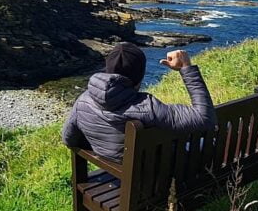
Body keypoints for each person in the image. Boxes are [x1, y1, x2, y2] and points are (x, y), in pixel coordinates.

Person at [61, 43, 217, 162]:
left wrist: (104, 148)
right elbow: (205, 119)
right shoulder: (147, 107)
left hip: (120, 175)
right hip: (158, 179)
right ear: (140, 75)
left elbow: (69, 139)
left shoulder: (82, 101)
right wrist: (186, 67)